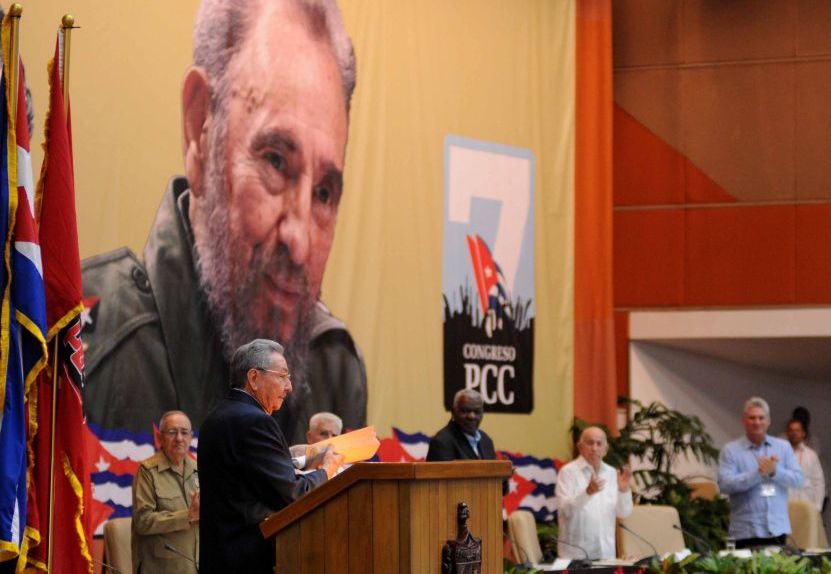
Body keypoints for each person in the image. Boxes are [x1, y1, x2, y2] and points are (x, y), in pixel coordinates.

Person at [80, 0, 367, 445]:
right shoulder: (84, 348)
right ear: (200, 130)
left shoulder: (334, 369)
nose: (301, 240)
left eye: (324, 193)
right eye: (275, 161)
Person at [198, 339, 342, 573]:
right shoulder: (256, 422)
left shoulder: (216, 417)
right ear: (254, 378)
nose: (289, 387)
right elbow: (292, 495)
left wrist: (297, 464)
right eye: (283, 376)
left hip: (218, 558)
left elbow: (248, 481)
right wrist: (326, 469)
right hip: (248, 560)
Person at [718, 397, 803, 549]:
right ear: (744, 420)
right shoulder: (731, 450)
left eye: (761, 418)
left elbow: (798, 480)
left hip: (776, 530)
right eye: (752, 418)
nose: (757, 422)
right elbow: (724, 485)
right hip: (744, 532)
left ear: (768, 421)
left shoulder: (783, 447)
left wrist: (775, 471)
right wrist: (757, 474)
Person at [131, 411, 200, 573]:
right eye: (172, 432)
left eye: (184, 432)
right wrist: (188, 516)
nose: (179, 438)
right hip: (161, 568)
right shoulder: (148, 472)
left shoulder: (199, 469)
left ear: (191, 437)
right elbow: (143, 521)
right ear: (159, 437)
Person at [555, 426, 632, 560]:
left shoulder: (612, 473)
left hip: (606, 555)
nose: (594, 448)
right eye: (590, 443)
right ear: (580, 447)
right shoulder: (568, 472)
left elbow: (623, 513)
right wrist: (587, 493)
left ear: (606, 449)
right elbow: (565, 510)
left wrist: (623, 491)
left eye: (599, 443)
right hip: (575, 556)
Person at [426, 389, 497, 461]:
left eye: (477, 411)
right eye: (465, 411)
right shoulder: (441, 442)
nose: (472, 416)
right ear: (453, 412)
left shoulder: (486, 440)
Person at [786, 418, 826, 512]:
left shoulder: (811, 455)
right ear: (787, 433)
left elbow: (819, 482)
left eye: (797, 430)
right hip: (784, 507)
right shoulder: (778, 454)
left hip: (806, 506)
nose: (794, 433)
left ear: (803, 433)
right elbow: (769, 480)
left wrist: (818, 506)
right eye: (791, 430)